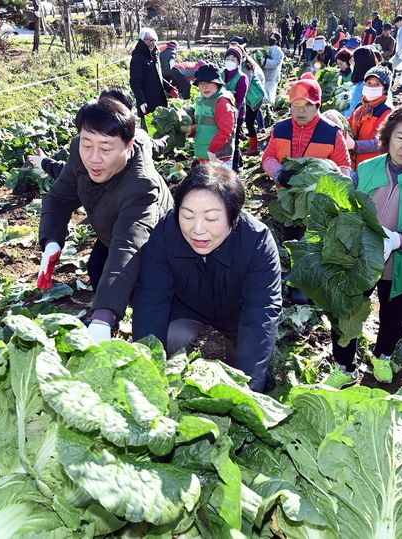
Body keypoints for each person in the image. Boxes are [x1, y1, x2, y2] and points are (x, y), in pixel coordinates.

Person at [325, 102, 402, 388]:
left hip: (401, 266)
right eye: (401, 136)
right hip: (359, 262)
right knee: (346, 311)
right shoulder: (366, 170)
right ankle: (345, 366)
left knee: (393, 316)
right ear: (388, 137)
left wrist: (397, 240)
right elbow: (347, 209)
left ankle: (383, 355)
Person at [132, 164, 282, 393]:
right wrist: (146, 373)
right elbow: (151, 299)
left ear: (234, 216)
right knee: (173, 338)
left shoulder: (257, 242)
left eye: (211, 218)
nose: (198, 230)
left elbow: (261, 314)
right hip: (187, 307)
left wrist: (249, 394)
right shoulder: (165, 233)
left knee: (248, 371)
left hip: (237, 314)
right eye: (187, 215)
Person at [36, 98, 172, 343]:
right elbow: (59, 197)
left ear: (128, 146)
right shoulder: (80, 152)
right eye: (87, 144)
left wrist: (103, 317)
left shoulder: (141, 185)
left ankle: (110, 316)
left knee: (149, 313)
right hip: (109, 228)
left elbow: (128, 248)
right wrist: (52, 241)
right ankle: (108, 315)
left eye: (106, 149)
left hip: (154, 244)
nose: (94, 158)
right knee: (97, 266)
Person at [30, 87, 169, 180]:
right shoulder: (142, 137)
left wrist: (44, 162)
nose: (95, 157)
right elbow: (71, 173)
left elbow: (71, 173)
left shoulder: (139, 141)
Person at [262, 73, 352, 183]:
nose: (301, 110)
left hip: (318, 196)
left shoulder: (332, 133)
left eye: (308, 104)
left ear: (318, 106)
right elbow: (268, 158)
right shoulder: (281, 128)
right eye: (296, 104)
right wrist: (279, 174)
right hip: (285, 193)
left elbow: (344, 167)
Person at [347, 65, 393, 167]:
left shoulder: (386, 112)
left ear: (385, 90)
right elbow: (348, 125)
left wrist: (355, 145)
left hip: (372, 166)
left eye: (377, 84)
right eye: (369, 83)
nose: (371, 87)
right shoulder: (360, 107)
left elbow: (380, 142)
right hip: (354, 163)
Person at [129, 28, 177, 126]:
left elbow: (158, 77)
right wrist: (141, 101)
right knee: (148, 132)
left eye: (153, 40)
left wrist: (170, 88)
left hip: (159, 101)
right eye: (148, 40)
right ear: (142, 40)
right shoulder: (138, 58)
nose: (151, 43)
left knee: (161, 132)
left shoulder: (155, 55)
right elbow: (135, 83)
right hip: (147, 103)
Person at [192, 63, 237, 169]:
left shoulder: (222, 102)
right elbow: (201, 125)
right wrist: (190, 130)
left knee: (220, 184)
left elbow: (226, 130)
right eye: (201, 83)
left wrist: (212, 150)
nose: (204, 86)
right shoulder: (201, 100)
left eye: (208, 82)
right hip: (203, 154)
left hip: (217, 157)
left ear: (217, 84)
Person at [221, 47, 249, 171]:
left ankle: (236, 167)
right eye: (228, 58)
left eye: (233, 59)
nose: (230, 61)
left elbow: (239, 100)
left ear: (238, 62)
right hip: (220, 113)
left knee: (234, 140)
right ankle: (238, 161)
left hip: (236, 114)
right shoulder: (221, 74)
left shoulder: (242, 78)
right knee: (223, 140)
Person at [241, 52, 267, 156]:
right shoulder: (241, 65)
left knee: (249, 122)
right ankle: (253, 144)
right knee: (249, 121)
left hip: (254, 97)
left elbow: (245, 85)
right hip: (250, 98)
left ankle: (254, 148)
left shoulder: (246, 67)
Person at [343, 46, 379, 118]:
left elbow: (352, 113)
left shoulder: (363, 86)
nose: (351, 65)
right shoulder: (378, 81)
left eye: (354, 62)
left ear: (359, 65)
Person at [263, 32, 285, 106]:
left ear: (277, 40)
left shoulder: (278, 50)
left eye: (273, 38)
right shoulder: (269, 48)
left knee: (270, 93)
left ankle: (269, 108)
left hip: (272, 75)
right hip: (266, 74)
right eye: (271, 37)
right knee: (264, 92)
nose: (271, 39)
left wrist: (264, 62)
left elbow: (275, 63)